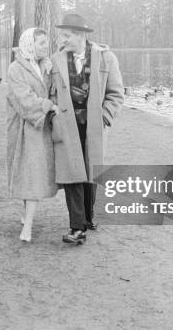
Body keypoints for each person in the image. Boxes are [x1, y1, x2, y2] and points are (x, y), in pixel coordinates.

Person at [49, 13, 124, 244]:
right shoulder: (55, 60)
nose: (62, 39)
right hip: (67, 126)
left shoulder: (106, 58)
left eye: (67, 35)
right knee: (72, 171)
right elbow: (50, 92)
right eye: (62, 35)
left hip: (94, 127)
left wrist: (103, 118)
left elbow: (116, 94)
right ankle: (77, 227)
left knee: (91, 170)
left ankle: (89, 217)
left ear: (80, 35)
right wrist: (54, 115)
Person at [7, 27, 60, 243]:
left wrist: (51, 75)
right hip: (23, 127)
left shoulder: (45, 66)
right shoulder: (15, 69)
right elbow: (24, 100)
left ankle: (27, 223)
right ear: (30, 45)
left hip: (41, 128)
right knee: (27, 174)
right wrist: (48, 105)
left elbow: (55, 91)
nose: (46, 46)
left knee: (33, 175)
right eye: (41, 43)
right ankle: (27, 223)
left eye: (46, 42)